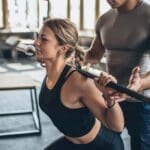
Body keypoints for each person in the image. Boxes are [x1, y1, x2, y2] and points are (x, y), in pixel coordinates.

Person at [34, 18, 125, 150]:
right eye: (38, 37)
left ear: (63, 48)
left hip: (102, 146)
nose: (36, 42)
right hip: (73, 143)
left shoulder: (80, 82)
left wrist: (110, 98)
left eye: (43, 39)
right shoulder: (51, 73)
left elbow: (117, 127)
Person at [85, 0, 150, 150]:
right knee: (105, 144)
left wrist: (139, 84)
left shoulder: (147, 16)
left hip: (141, 102)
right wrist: (74, 55)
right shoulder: (104, 19)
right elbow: (94, 54)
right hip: (110, 98)